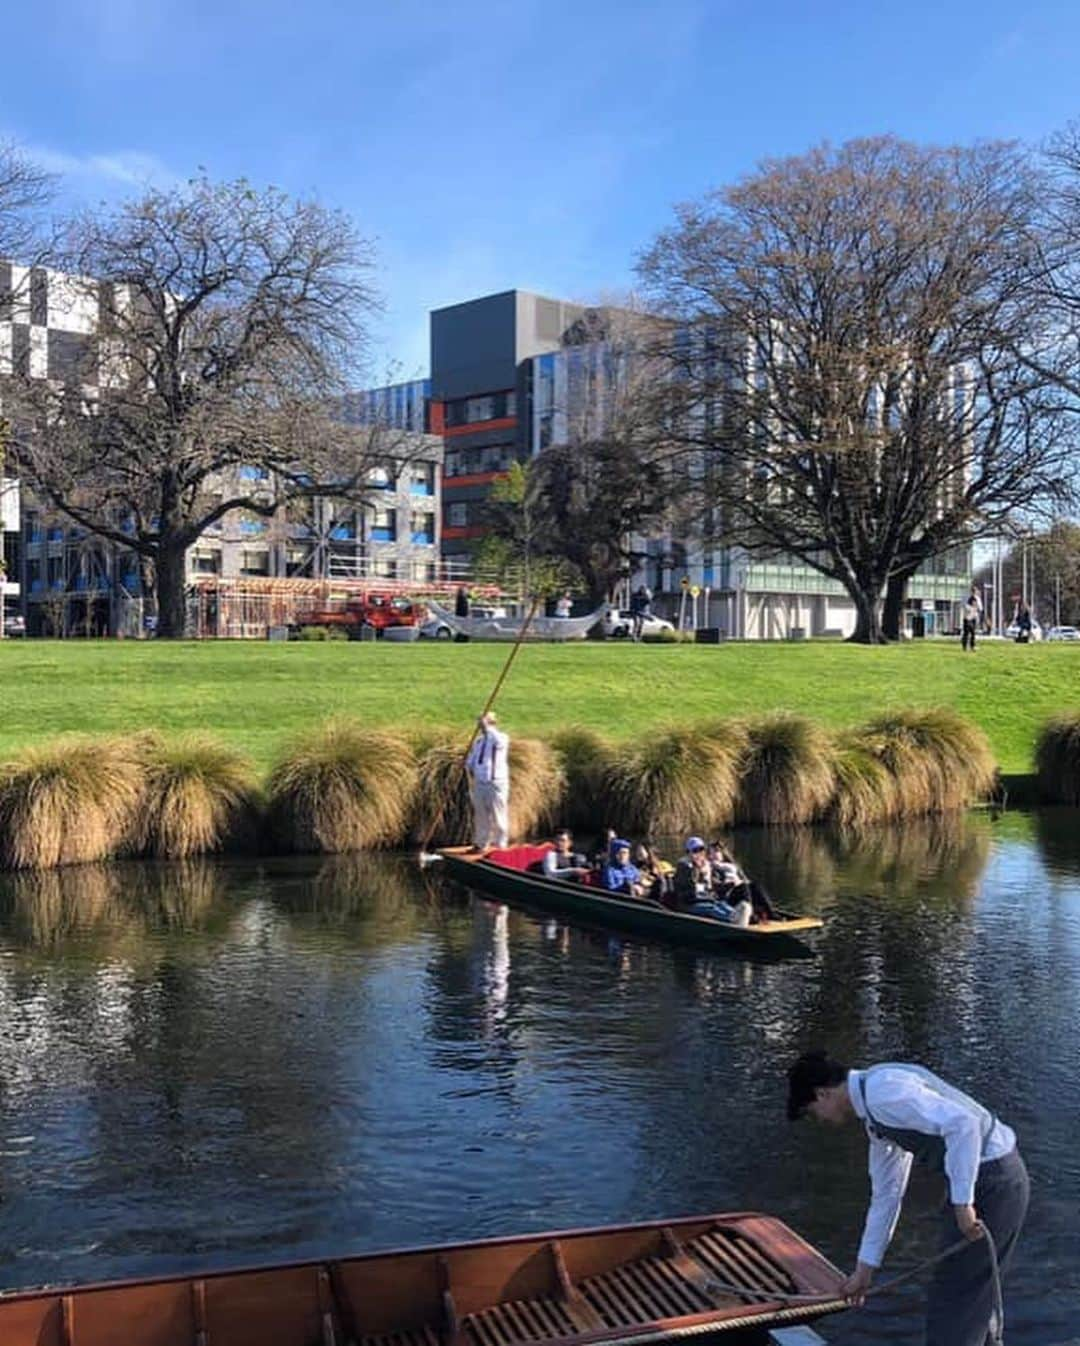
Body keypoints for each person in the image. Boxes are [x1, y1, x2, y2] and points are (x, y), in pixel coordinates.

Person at [786, 1051, 1029, 1346]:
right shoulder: (876, 1113)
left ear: (822, 1093)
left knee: (955, 1295)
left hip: (995, 1182)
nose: (819, 1120)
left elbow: (963, 1125)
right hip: (990, 1180)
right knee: (969, 1292)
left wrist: (963, 1205)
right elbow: (887, 1195)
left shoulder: (883, 1094)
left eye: (812, 1112)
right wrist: (864, 1271)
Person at [672, 837, 751, 926]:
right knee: (710, 908)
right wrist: (698, 870)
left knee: (721, 904)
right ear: (689, 853)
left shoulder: (706, 865)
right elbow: (690, 889)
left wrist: (728, 883)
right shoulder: (684, 867)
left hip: (704, 899)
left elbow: (711, 886)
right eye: (695, 850)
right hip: (688, 903)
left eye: (701, 849)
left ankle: (738, 914)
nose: (699, 853)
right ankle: (732, 919)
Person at [464, 712, 510, 850]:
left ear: (492, 723)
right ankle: (481, 843)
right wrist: (467, 763)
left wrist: (488, 727)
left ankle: (501, 844)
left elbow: (499, 742)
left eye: (483, 722)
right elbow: (473, 759)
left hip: (496, 782)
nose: (480, 725)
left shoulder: (501, 738)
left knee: (498, 814)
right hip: (480, 782)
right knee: (481, 814)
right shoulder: (479, 741)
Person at [708, 841, 775, 921]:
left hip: (740, 892)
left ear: (722, 852)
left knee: (755, 885)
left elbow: (744, 879)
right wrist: (732, 884)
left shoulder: (732, 865)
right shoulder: (712, 869)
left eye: (716, 851)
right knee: (744, 886)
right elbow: (716, 887)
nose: (714, 855)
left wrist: (744, 882)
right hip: (728, 897)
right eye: (712, 853)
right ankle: (750, 915)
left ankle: (771, 913)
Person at [961, 586, 982, 652]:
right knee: (966, 633)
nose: (974, 592)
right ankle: (964, 646)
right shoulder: (968, 598)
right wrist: (971, 608)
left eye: (975, 591)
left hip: (973, 617)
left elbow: (980, 608)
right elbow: (965, 606)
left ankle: (972, 646)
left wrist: (977, 609)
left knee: (973, 633)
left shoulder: (977, 599)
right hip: (967, 617)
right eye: (973, 591)